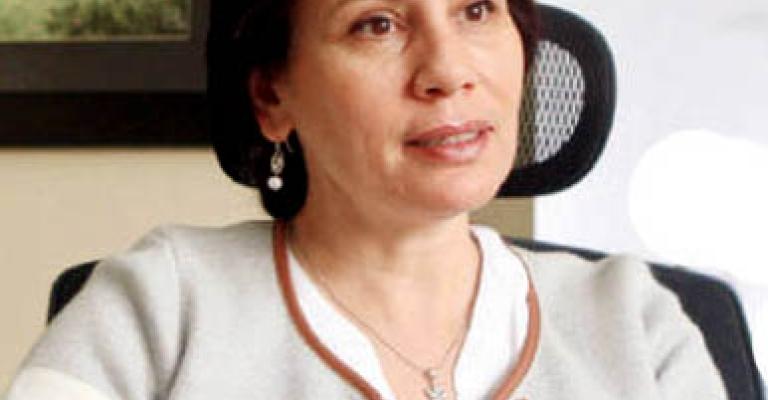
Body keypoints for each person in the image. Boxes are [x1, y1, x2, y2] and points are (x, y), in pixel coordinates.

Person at [6, 0, 727, 399]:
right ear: (271, 95)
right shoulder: (163, 303)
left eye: (477, 10)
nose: (447, 70)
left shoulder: (637, 321)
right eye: (377, 24)